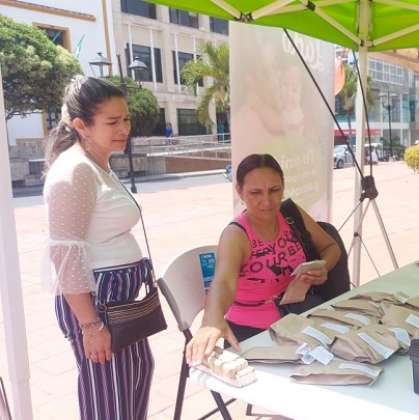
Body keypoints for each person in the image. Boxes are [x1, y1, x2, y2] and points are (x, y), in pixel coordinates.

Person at [43, 76, 154, 419]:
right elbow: (65, 254)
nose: (124, 129)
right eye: (112, 122)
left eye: (126, 119)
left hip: (119, 298)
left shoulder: (97, 164)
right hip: (98, 301)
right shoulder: (74, 171)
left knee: (136, 379)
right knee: (109, 399)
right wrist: (91, 326)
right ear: (81, 125)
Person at [186, 154, 341, 363]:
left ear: (283, 187)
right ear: (239, 191)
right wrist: (212, 320)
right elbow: (223, 282)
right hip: (254, 335)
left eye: (274, 190)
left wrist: (324, 266)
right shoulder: (236, 235)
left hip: (299, 319)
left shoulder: (291, 215)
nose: (267, 201)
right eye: (255, 192)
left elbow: (331, 247)